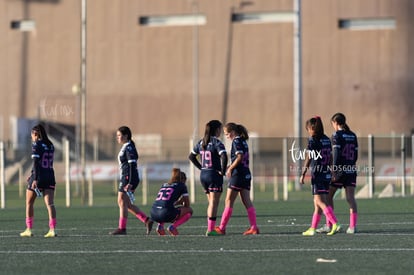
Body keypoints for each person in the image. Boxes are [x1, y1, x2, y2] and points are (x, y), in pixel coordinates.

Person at [214, 122, 259, 235]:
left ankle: (222, 228)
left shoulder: (236, 141)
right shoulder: (243, 141)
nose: (226, 136)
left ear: (233, 132)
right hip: (246, 174)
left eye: (227, 134)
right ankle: (254, 227)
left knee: (228, 201)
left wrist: (230, 169)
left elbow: (240, 157)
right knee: (247, 201)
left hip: (238, 175)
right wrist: (230, 166)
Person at [317, 113, 359, 234]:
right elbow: (355, 155)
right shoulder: (353, 135)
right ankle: (352, 226)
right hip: (351, 169)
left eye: (333, 124)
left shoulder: (336, 135)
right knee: (350, 198)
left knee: (328, 196)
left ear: (335, 123)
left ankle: (329, 225)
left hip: (340, 170)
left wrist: (334, 169)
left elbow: (335, 154)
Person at [300, 116, 341, 236]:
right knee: (317, 203)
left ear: (313, 128)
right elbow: (331, 157)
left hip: (317, 174)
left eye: (308, 128)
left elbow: (309, 157)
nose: (308, 131)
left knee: (319, 201)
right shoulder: (327, 140)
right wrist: (332, 171)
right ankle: (312, 228)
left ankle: (335, 223)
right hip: (326, 174)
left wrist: (303, 173)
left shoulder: (312, 140)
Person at [110, 126, 153, 235]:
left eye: (120, 135)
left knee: (121, 201)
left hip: (128, 178)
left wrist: (129, 182)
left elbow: (132, 165)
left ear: (126, 136)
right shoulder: (126, 146)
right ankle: (147, 220)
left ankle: (122, 228)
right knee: (126, 204)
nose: (118, 138)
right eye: (117, 136)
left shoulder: (129, 147)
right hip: (127, 177)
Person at [189, 120, 227, 236]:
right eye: (220, 129)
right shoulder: (216, 142)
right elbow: (224, 156)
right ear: (216, 130)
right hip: (214, 175)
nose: (221, 131)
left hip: (204, 175)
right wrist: (223, 170)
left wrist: (201, 168)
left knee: (211, 202)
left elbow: (191, 156)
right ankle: (210, 229)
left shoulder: (201, 142)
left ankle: (211, 226)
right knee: (213, 203)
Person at [20, 124, 57, 238]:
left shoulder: (36, 144)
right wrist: (32, 173)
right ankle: (52, 229)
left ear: (35, 134)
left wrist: (34, 178)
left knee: (29, 203)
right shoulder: (50, 145)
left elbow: (36, 162)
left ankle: (29, 229)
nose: (31, 137)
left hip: (39, 177)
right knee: (50, 204)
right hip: (50, 176)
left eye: (32, 134)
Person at [151, 168, 193, 236]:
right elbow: (187, 205)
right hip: (166, 213)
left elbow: (165, 202)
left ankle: (160, 226)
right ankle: (173, 227)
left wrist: (178, 202)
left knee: (165, 208)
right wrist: (181, 202)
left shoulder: (164, 185)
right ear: (183, 180)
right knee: (189, 210)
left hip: (153, 213)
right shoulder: (181, 185)